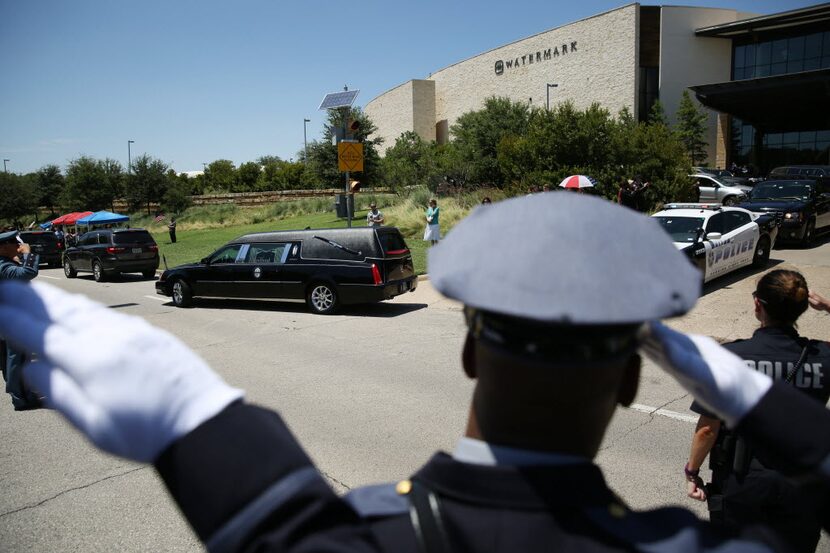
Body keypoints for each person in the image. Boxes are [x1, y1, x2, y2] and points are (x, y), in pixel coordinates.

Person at [4, 193, 829, 552]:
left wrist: (192, 413)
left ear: (470, 354)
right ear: (627, 381)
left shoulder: (358, 533)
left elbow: (267, 506)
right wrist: (742, 382)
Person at [685, 269, 830, 553]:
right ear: (802, 308)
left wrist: (692, 472)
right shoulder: (822, 356)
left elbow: (707, 428)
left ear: (758, 305)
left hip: (743, 481)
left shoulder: (730, 357)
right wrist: (828, 307)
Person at [0, 230, 41, 410]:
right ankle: (22, 398)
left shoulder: (5, 263)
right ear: (2, 248)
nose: (18, 246)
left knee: (10, 358)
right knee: (18, 358)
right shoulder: (3, 266)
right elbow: (28, 272)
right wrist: (28, 254)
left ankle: (20, 393)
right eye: (13, 243)